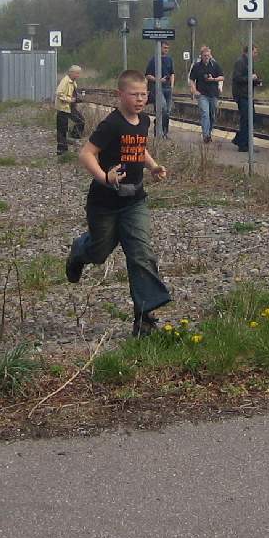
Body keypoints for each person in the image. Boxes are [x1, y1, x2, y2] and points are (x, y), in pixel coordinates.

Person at [65, 70, 172, 337]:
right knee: (99, 252)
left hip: (134, 200)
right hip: (104, 203)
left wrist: (153, 165)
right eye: (134, 94)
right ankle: (79, 250)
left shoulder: (144, 120)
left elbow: (139, 148)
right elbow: (86, 154)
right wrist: (104, 177)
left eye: (143, 94)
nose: (140, 99)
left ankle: (144, 319)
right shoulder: (111, 124)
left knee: (141, 253)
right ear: (119, 95)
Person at [187, 45, 224, 144]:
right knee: (205, 114)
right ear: (201, 56)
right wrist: (194, 91)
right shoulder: (197, 66)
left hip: (213, 94)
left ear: (210, 55)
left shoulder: (215, 65)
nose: (206, 57)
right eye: (204, 55)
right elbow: (191, 79)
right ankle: (206, 135)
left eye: (208, 55)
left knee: (212, 115)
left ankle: (209, 132)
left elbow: (222, 77)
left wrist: (214, 79)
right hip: (202, 94)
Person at [230, 45, 262, 152]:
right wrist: (250, 78)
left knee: (250, 118)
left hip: (247, 95)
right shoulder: (240, 62)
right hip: (242, 95)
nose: (256, 55)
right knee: (247, 119)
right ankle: (243, 144)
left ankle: (241, 140)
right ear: (248, 52)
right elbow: (237, 78)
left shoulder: (249, 62)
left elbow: (248, 78)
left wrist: (256, 81)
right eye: (255, 52)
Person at [144, 42, 176, 137]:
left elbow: (172, 73)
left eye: (167, 48)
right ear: (159, 48)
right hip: (157, 88)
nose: (166, 50)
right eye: (164, 48)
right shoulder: (153, 60)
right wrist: (158, 80)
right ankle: (158, 131)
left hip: (167, 88)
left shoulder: (170, 59)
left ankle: (164, 133)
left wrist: (172, 85)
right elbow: (147, 75)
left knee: (167, 112)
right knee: (162, 107)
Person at [55, 64, 85, 155]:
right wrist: (70, 99)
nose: (78, 75)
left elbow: (73, 93)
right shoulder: (65, 81)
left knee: (81, 121)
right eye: (76, 73)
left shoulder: (73, 82)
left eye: (79, 73)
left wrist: (77, 98)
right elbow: (59, 93)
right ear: (71, 73)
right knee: (62, 129)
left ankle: (73, 138)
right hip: (63, 108)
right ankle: (62, 150)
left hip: (70, 107)